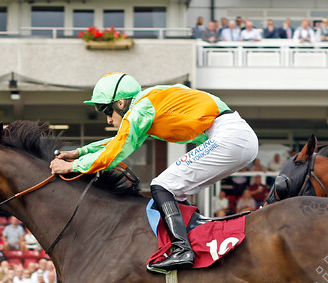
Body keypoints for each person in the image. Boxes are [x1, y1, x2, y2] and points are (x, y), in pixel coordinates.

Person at [50, 73, 258, 271]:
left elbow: (117, 151)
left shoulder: (142, 108)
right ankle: (195, 237)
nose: (108, 120)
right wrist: (80, 152)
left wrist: (73, 166)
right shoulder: (148, 104)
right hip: (234, 136)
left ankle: (182, 249)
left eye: (106, 111)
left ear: (120, 103)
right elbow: (118, 140)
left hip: (228, 137)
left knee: (162, 185)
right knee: (173, 188)